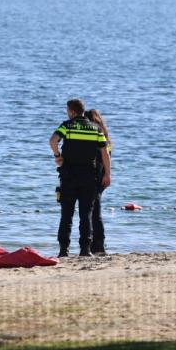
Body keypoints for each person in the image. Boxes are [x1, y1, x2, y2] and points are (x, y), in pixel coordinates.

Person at [50, 99, 111, 257]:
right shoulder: (96, 128)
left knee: (67, 214)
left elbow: (53, 140)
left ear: (71, 111)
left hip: (68, 175)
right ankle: (85, 249)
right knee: (86, 214)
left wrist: (57, 155)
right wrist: (107, 174)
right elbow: (105, 153)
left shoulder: (67, 125)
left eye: (67, 111)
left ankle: (64, 250)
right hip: (89, 176)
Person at [85, 108, 112, 255]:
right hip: (102, 175)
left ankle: (98, 245)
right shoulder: (105, 135)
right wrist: (107, 174)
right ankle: (97, 244)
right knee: (95, 209)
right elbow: (108, 156)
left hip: (95, 175)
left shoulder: (94, 134)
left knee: (94, 211)